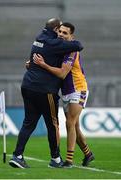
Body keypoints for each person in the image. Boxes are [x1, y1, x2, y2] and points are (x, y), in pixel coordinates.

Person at [9, 18, 84, 169]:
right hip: (45, 90)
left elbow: (37, 58)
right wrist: (68, 40)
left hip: (27, 86)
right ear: (56, 29)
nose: (61, 34)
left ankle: (17, 156)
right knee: (53, 125)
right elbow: (78, 45)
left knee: (28, 123)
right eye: (60, 30)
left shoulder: (38, 38)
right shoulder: (55, 43)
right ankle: (56, 159)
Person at [33, 22, 94, 168]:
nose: (60, 34)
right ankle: (88, 154)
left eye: (65, 33)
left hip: (78, 89)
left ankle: (69, 160)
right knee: (75, 126)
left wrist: (43, 65)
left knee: (70, 123)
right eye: (60, 31)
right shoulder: (59, 48)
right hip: (66, 91)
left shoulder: (72, 50)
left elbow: (62, 73)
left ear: (71, 36)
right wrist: (32, 63)